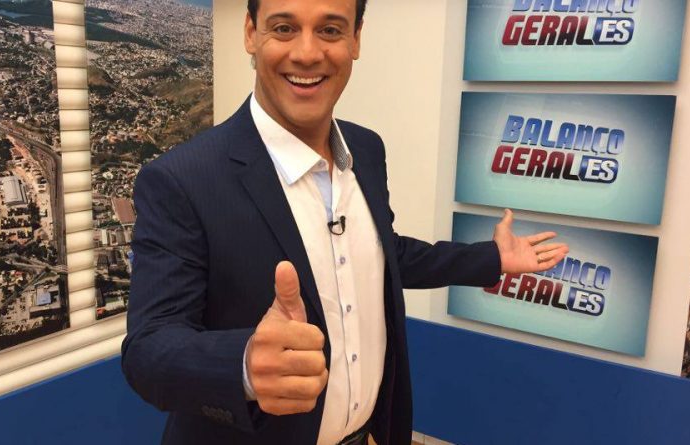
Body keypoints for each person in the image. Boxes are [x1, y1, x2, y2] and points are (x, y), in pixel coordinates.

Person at [122, 0, 569, 444]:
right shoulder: (182, 179)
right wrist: (242, 365)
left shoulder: (366, 149)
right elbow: (148, 349)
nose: (307, 53)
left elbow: (384, 254)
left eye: (330, 30)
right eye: (284, 28)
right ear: (250, 34)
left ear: (356, 39)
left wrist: (490, 259)